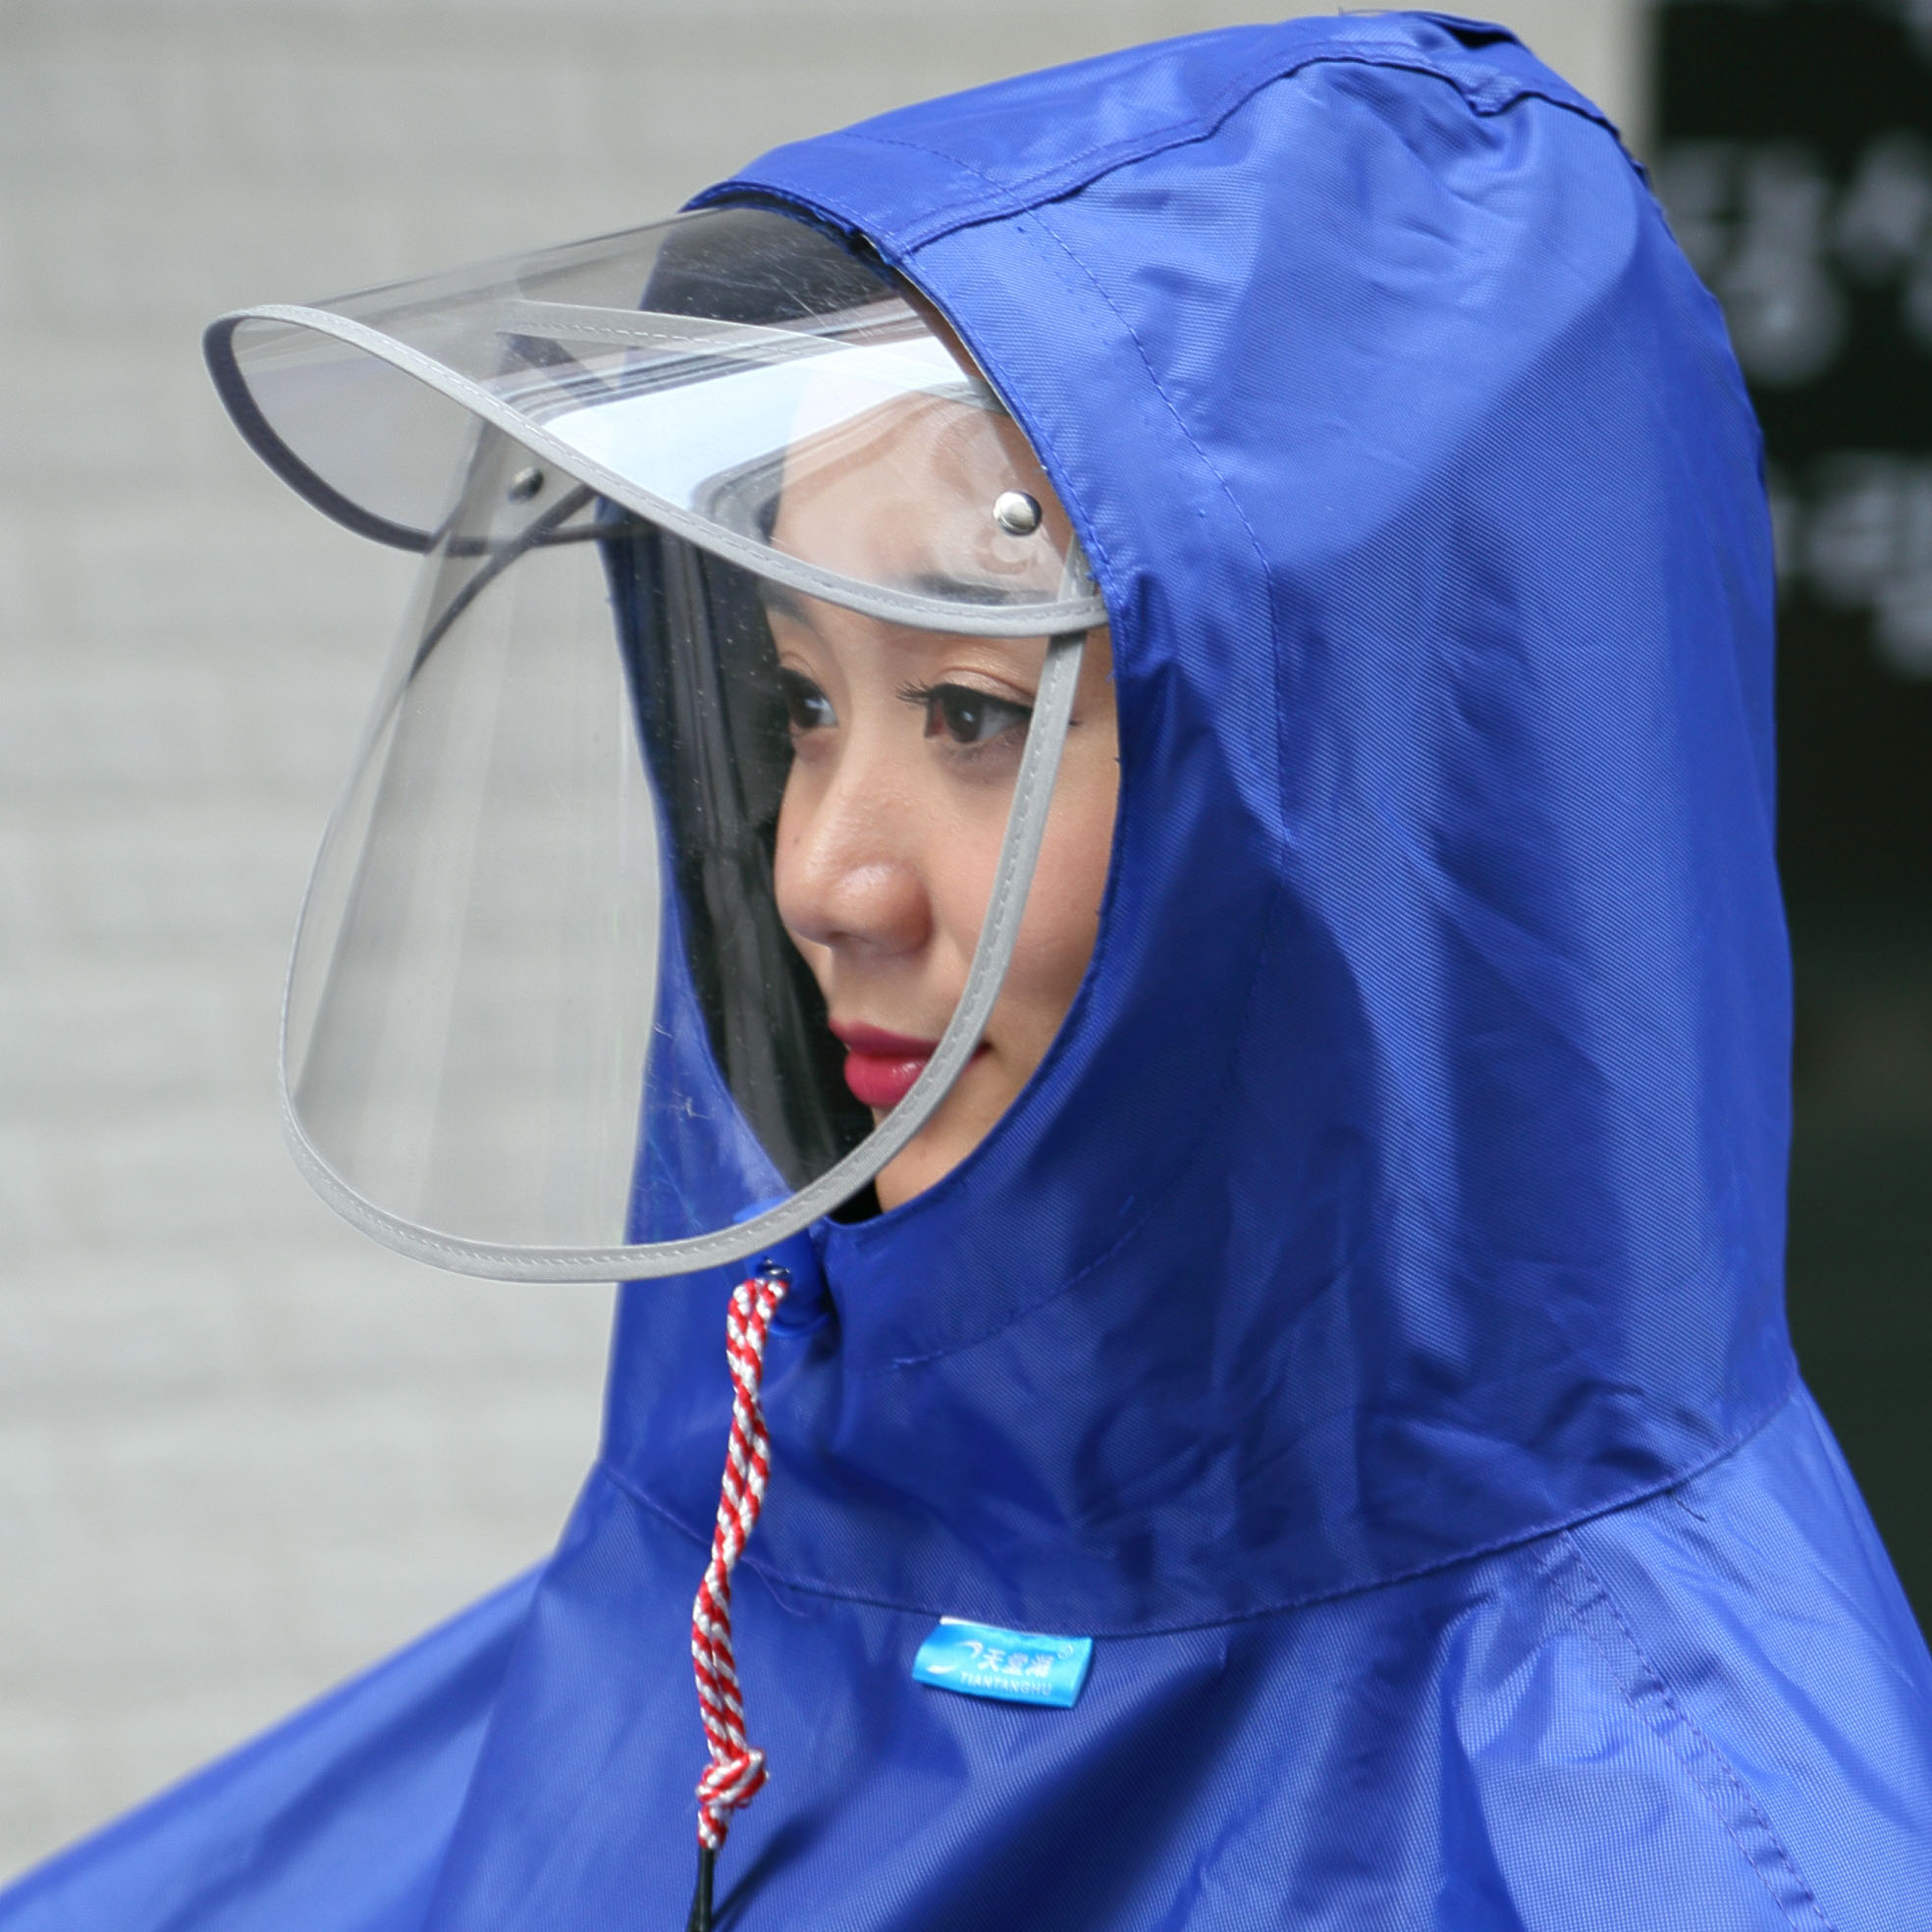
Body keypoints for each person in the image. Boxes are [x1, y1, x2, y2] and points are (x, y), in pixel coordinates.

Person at [6, 13, 1930, 1930]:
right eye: (792, 703)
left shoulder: (1643, 1831)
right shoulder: (765, 1534)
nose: (819, 877)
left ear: (1378, 803)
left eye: (972, 711)